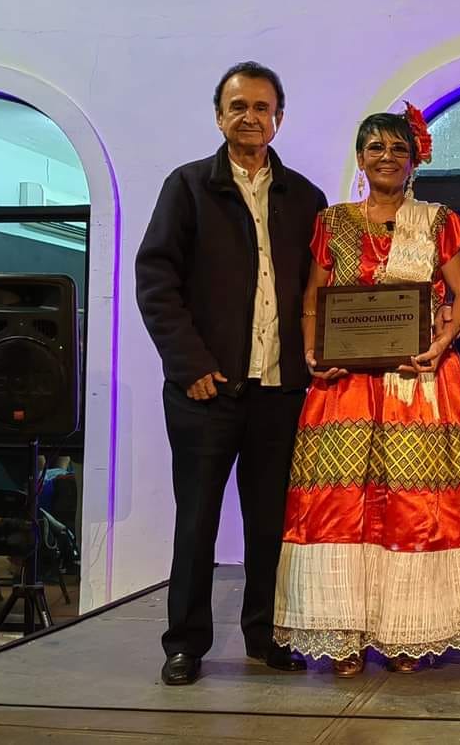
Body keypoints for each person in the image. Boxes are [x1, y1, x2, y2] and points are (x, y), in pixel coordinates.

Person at [272, 105, 460, 676]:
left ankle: (408, 632)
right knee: (341, 505)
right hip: (344, 387)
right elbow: (313, 298)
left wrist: (442, 342)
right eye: (375, 147)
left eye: (398, 148)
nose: (386, 157)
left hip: (418, 383)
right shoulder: (332, 222)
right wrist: (313, 352)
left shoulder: (436, 221)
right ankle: (344, 634)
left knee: (413, 505)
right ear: (360, 158)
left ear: (413, 160)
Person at [136, 61, 326, 685]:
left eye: (262, 107)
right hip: (206, 390)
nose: (251, 117)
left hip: (280, 391)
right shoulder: (188, 186)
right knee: (197, 522)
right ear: (219, 116)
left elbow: (321, 291)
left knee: (272, 523)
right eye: (238, 106)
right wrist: (189, 364)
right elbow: (156, 280)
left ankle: (266, 636)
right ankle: (185, 643)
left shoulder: (306, 198)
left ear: (279, 118)